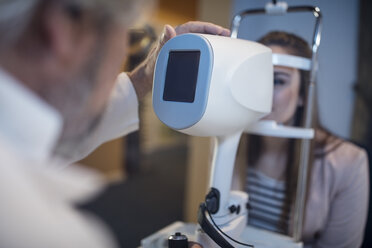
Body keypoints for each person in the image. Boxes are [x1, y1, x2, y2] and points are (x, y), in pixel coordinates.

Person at [0, 0, 230, 247]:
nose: (123, 53)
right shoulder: (45, 234)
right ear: (65, 28)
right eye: (125, 34)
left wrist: (144, 76)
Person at [233, 31, 369, 248]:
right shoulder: (230, 143)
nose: (262, 91)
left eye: (278, 81)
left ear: (304, 94)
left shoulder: (348, 163)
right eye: (256, 78)